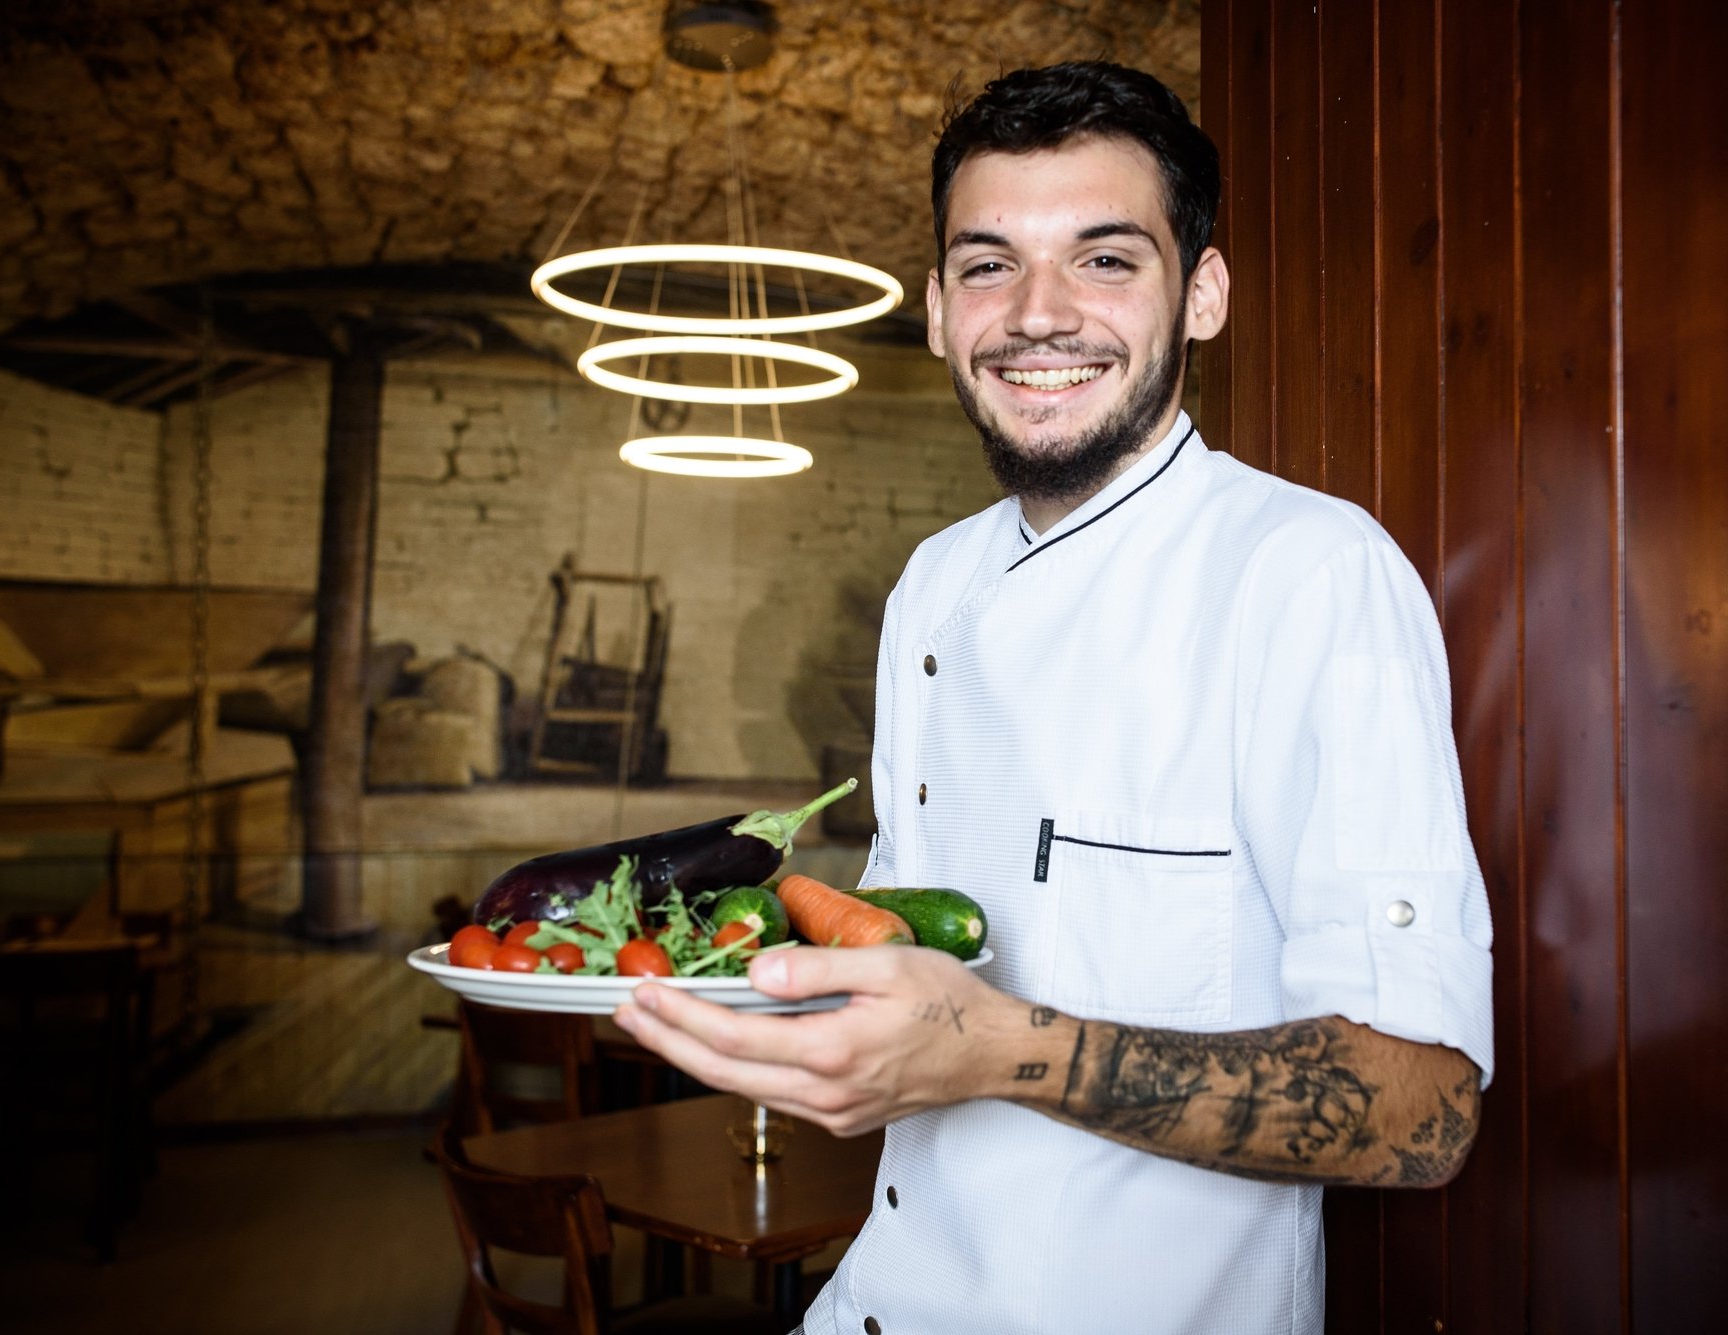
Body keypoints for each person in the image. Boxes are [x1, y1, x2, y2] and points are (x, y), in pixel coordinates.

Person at [614, 60, 1495, 1335]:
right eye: (986, 264)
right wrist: (749, 980)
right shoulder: (933, 582)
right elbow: (913, 959)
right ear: (933, 309)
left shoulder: (1307, 572)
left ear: (1199, 296)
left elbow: (1421, 1112)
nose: (1036, 315)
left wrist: (993, 1051)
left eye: (1103, 260)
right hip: (874, 1304)